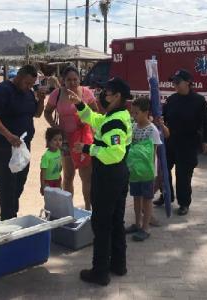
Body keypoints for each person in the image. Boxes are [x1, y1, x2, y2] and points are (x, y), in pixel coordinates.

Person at [68, 77, 132, 286]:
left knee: (102, 224)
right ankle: (118, 265)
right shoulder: (114, 116)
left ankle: (100, 272)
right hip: (117, 176)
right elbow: (94, 119)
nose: (104, 96)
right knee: (115, 221)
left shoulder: (115, 121)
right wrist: (79, 103)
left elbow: (114, 154)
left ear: (118, 96)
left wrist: (87, 148)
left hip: (109, 176)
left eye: (108, 92)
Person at [0, 65, 46, 221]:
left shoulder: (29, 94)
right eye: (27, 83)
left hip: (23, 146)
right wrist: (8, 135)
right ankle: (7, 218)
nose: (29, 87)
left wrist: (41, 99)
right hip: (3, 146)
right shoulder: (1, 91)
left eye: (32, 84)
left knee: (20, 181)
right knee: (6, 184)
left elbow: (37, 114)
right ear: (18, 76)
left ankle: (12, 214)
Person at [44, 66, 99, 210]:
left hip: (83, 139)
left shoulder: (86, 93)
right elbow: (47, 112)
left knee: (86, 177)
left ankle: (88, 209)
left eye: (75, 79)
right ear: (63, 80)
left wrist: (87, 120)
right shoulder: (56, 94)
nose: (73, 83)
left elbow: (95, 112)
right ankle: (68, 210)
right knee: (68, 176)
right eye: (69, 80)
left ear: (79, 79)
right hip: (65, 141)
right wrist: (54, 125)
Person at [163, 69, 207, 216]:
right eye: (173, 82)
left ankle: (184, 203)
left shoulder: (198, 101)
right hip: (171, 141)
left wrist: (206, 140)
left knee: (183, 175)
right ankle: (166, 195)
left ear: (188, 83)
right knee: (164, 170)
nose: (175, 85)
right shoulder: (172, 99)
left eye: (177, 82)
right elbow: (162, 115)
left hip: (188, 143)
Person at [125, 97, 170, 241]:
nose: (134, 116)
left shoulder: (152, 130)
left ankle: (146, 228)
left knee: (147, 200)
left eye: (136, 113)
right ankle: (137, 224)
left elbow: (154, 153)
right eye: (132, 113)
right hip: (134, 172)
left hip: (147, 173)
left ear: (146, 112)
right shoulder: (133, 127)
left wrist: (153, 173)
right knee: (136, 198)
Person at [40, 127, 63, 195]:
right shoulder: (46, 156)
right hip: (48, 182)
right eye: (55, 140)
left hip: (58, 180)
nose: (58, 142)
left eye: (60, 139)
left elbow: (59, 165)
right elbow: (42, 172)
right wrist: (42, 185)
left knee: (58, 199)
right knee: (50, 201)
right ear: (49, 141)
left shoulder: (59, 152)